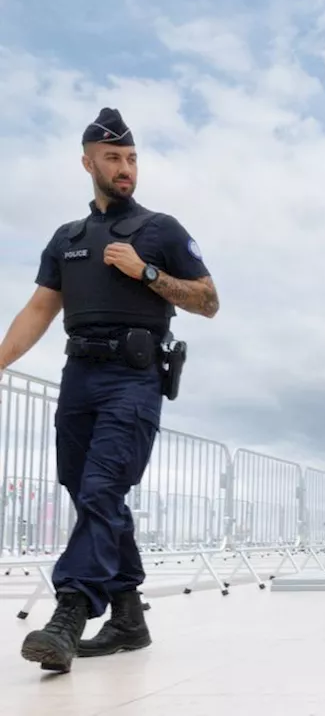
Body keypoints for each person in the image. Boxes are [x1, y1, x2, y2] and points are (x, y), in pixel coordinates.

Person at [0, 108, 220, 673]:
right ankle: (128, 618)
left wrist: (146, 274)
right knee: (87, 493)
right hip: (80, 379)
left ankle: (68, 615)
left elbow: (208, 300)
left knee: (101, 488)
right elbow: (38, 310)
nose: (125, 169)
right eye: (114, 159)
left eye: (131, 159)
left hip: (134, 377)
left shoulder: (160, 229)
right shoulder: (67, 239)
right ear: (88, 162)